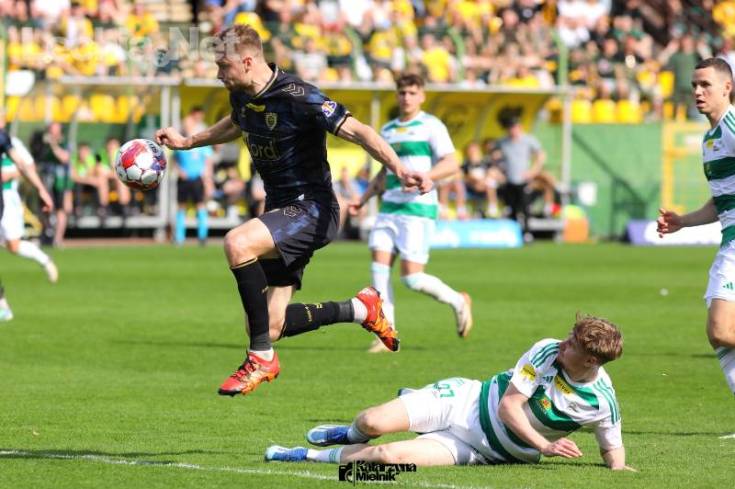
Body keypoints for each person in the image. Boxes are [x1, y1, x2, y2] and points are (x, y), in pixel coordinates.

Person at [155, 25, 430, 396]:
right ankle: (361, 309)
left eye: (223, 66)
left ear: (247, 61)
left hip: (313, 207)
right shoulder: (241, 95)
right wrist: (190, 141)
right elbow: (237, 123)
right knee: (268, 325)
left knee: (237, 243)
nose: (218, 73)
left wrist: (399, 169)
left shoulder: (299, 96)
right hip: (281, 210)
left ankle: (260, 358)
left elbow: (361, 132)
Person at [265, 313, 634, 471]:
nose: (562, 343)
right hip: (465, 402)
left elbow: (611, 447)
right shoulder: (547, 350)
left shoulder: (601, 402)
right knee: (372, 422)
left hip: (479, 452)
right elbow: (509, 407)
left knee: (388, 459)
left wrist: (618, 470)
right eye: (568, 336)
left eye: (572, 345)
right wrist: (544, 446)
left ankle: (305, 456)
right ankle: (349, 433)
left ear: (590, 361)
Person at [349, 73, 472, 352]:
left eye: (412, 93)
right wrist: (363, 199)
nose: (407, 98)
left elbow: (452, 163)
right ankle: (386, 334)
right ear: (396, 95)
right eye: (402, 92)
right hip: (388, 208)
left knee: (412, 278)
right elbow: (385, 171)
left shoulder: (431, 126)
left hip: (417, 208)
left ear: (422, 96)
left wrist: (429, 177)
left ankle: (458, 300)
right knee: (379, 270)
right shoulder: (388, 129)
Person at [658, 57, 735, 420]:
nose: (698, 92)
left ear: (727, 88)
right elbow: (722, 200)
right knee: (721, 336)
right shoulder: (711, 138)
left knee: (720, 330)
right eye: (694, 86)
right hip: (729, 238)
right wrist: (683, 222)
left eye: (706, 85)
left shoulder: (732, 126)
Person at [0, 118, 55, 322]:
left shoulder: (5, 139)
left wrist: (41, 189)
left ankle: (2, 304)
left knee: (13, 245)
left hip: (7, 199)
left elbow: (23, 164)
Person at [1, 136, 59, 284]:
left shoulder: (11, 142)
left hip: (8, 199)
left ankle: (45, 260)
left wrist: (11, 175)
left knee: (13, 245)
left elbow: (28, 166)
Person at [496, 115, 546, 240]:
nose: (511, 130)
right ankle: (514, 234)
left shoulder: (528, 140)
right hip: (509, 180)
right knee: (511, 207)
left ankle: (527, 233)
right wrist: (500, 172)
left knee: (525, 207)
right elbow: (495, 158)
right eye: (509, 128)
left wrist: (533, 171)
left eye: (513, 127)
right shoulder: (503, 142)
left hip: (523, 180)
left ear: (519, 127)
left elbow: (541, 155)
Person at [173, 140, 214, 246]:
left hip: (198, 179)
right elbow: (174, 159)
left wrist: (208, 180)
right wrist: (179, 170)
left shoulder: (202, 143)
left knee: (200, 205)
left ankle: (202, 236)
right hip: (183, 180)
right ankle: (179, 238)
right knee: (181, 207)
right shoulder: (179, 141)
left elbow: (208, 162)